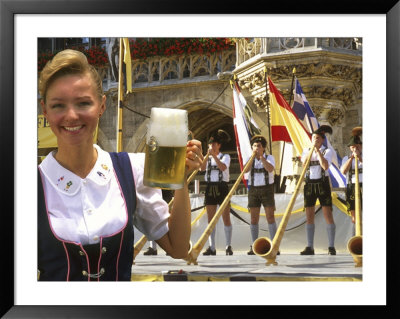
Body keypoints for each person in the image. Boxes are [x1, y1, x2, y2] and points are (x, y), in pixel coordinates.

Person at [37, 49, 203, 281]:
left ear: (102, 105)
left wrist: (179, 180)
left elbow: (178, 248)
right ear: (45, 110)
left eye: (83, 103)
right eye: (58, 106)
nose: (71, 116)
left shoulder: (130, 170)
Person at [300, 125, 336, 256]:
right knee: (309, 215)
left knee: (327, 213)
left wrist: (318, 151)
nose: (315, 140)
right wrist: (312, 151)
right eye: (314, 138)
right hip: (310, 183)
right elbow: (304, 165)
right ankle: (310, 246)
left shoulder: (327, 151)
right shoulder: (306, 151)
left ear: (322, 140)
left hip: (322, 182)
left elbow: (325, 166)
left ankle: (331, 246)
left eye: (318, 138)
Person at [243, 135, 278, 255]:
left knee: (270, 217)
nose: (256, 148)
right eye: (254, 146)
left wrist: (262, 158)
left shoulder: (269, 157)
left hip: (267, 189)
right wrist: (253, 158)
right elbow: (245, 170)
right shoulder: (249, 158)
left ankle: (274, 245)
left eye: (258, 146)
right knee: (254, 218)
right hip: (253, 190)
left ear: (263, 148)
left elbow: (270, 169)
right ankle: (254, 245)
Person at [200, 129, 233, 256]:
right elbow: (201, 169)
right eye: (210, 144)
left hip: (222, 187)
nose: (211, 146)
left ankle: (228, 246)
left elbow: (223, 167)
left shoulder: (225, 156)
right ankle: (212, 247)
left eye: (214, 144)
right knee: (210, 219)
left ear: (219, 145)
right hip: (210, 187)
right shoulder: (207, 158)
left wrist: (213, 155)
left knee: (226, 217)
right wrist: (206, 157)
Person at [340, 127, 363, 237]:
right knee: (354, 217)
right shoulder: (346, 158)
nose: (355, 149)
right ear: (350, 148)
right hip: (351, 187)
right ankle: (356, 238)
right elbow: (343, 171)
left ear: (361, 147)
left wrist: (360, 158)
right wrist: (352, 158)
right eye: (353, 147)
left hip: (364, 187)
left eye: (357, 147)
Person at [143, 189, 174, 256]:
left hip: (165, 193)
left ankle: (169, 247)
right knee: (152, 221)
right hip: (154, 195)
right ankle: (153, 248)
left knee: (167, 223)